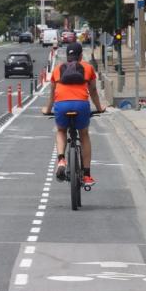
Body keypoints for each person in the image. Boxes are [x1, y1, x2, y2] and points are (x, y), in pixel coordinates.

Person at [42, 42, 105, 186]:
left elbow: (52, 93)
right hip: (81, 105)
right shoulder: (88, 68)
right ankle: (87, 175)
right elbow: (94, 91)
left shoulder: (58, 69)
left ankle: (61, 159)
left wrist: (47, 109)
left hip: (62, 106)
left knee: (61, 130)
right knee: (84, 135)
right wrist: (100, 107)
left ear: (67, 56)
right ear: (81, 55)